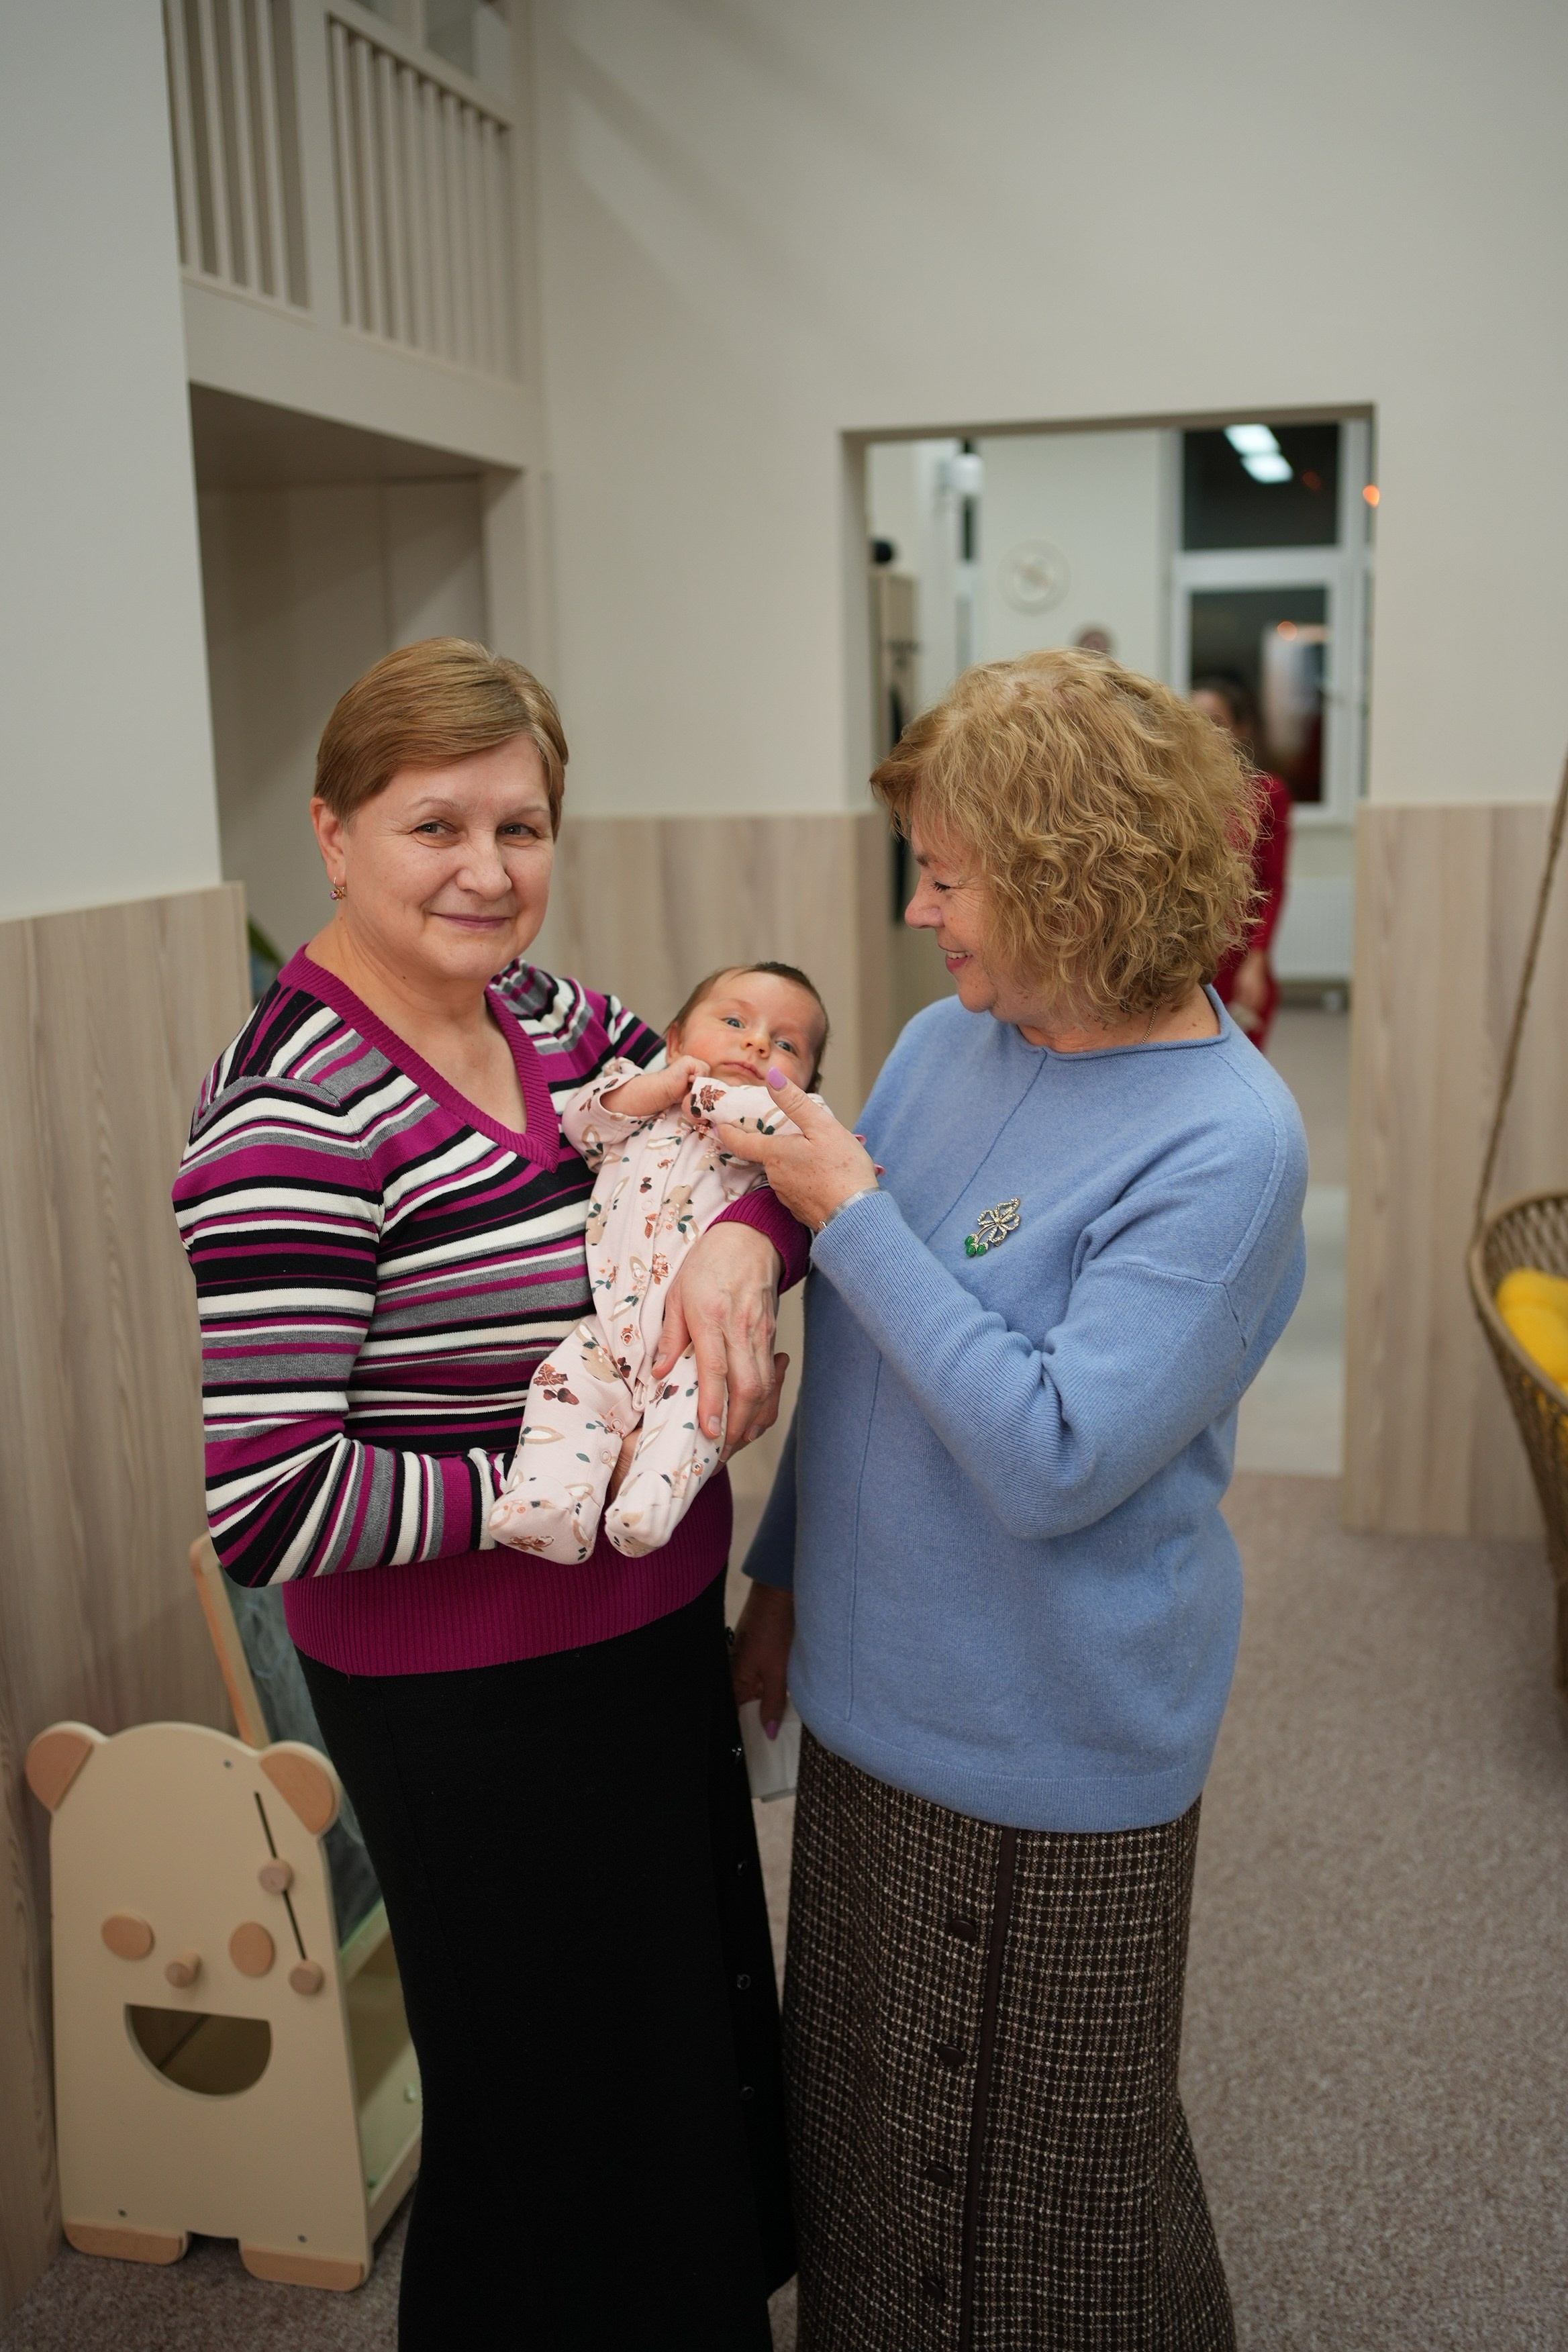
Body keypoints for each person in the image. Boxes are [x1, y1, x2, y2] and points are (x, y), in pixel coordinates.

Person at [172, 639, 800, 2351]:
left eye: (520, 827)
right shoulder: (291, 1118)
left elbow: (738, 1135)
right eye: (433, 824)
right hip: (472, 1701)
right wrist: (548, 1480)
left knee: (669, 2073)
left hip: (646, 1639)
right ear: (332, 834)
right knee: (542, 2119)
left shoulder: (555, 1019)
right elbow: (270, 1502)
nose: (486, 869)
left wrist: (742, 1251)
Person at [724, 648, 1307, 2350]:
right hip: (872, 1704)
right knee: (869, 2156)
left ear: (1068, 878)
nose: (918, 913)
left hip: (1040, 1743)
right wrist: (780, 1578)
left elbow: (1054, 1454)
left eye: (948, 876)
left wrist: (848, 1212)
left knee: (1039, 2212)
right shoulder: (938, 1044)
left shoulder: (1225, 1141)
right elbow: (865, 1359)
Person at [490, 963, 828, 1563]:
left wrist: (785, 1118)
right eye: (734, 1022)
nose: (756, 1044)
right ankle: (549, 1503)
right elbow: (582, 1124)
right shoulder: (638, 1098)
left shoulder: (775, 1128)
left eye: (785, 1044)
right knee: (561, 1386)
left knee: (696, 1416)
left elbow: (820, 1159)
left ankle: (651, 1503)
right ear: (674, 1041)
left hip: (698, 1339)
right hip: (607, 1328)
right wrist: (660, 1087)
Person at [1191, 673, 1293, 1052]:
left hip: (1240, 954)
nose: (1203, 731)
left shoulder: (1267, 793)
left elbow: (1271, 884)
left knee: (1238, 1064)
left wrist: (1257, 960)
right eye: (1194, 721)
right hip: (1189, 957)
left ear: (1239, 729)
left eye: (1215, 721)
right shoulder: (1179, 794)